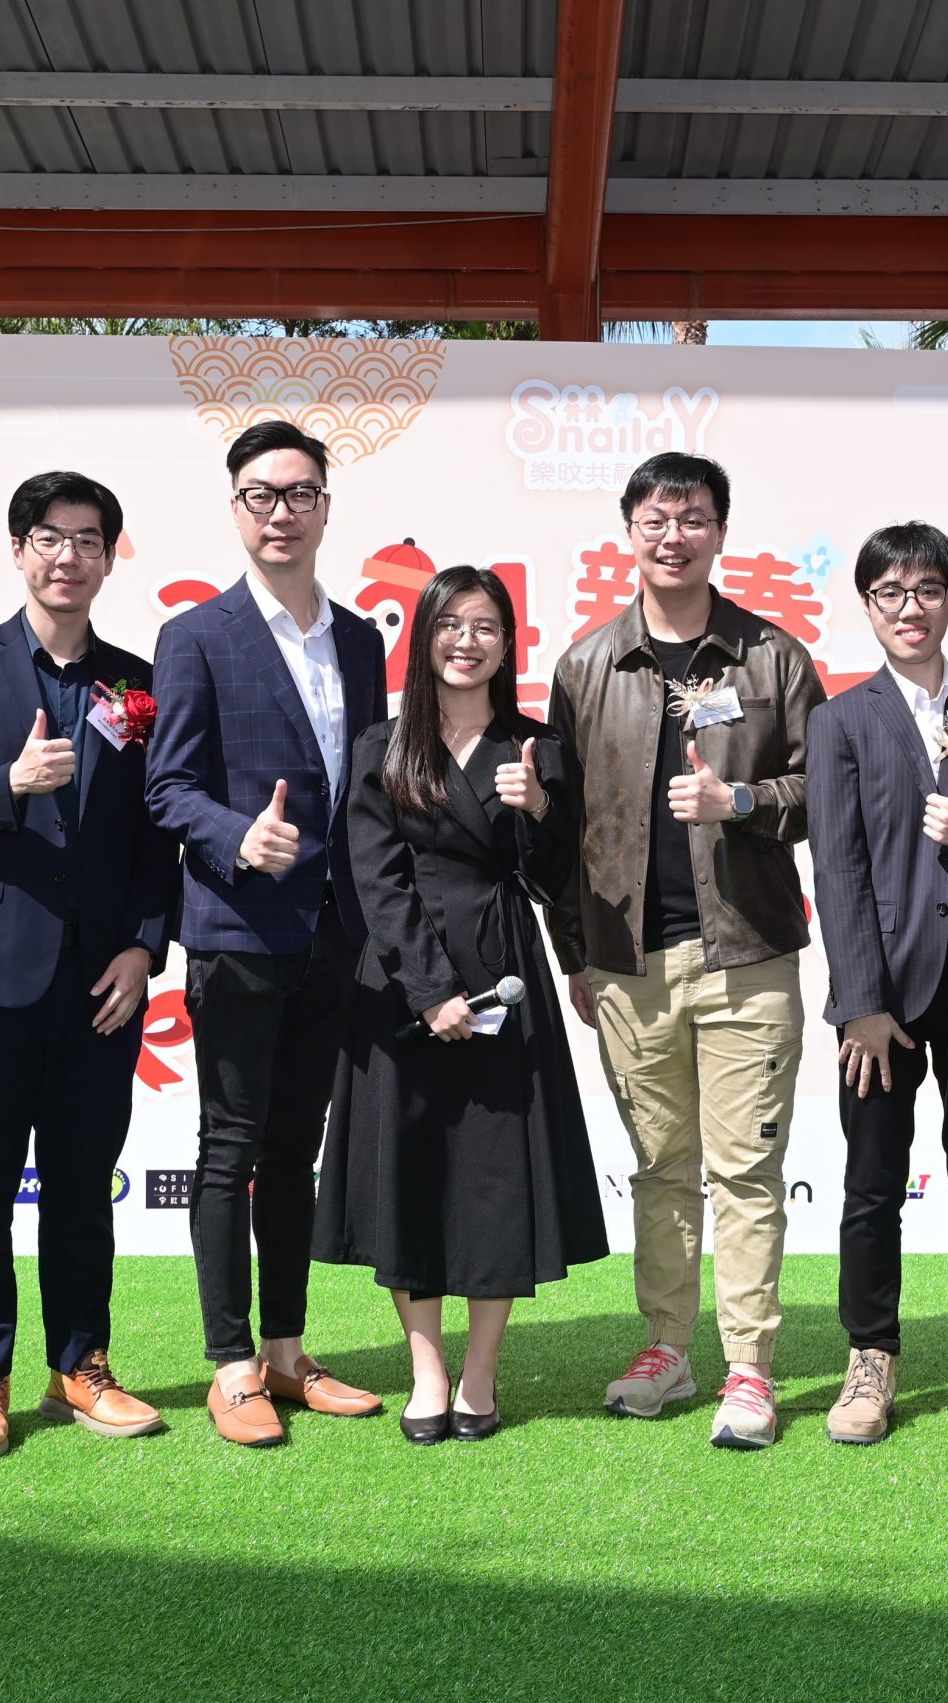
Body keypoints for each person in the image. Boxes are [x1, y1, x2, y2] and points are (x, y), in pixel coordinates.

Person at [545, 450, 827, 1451]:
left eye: (694, 517)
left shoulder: (772, 657)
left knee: (745, 1170)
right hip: (628, 963)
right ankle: (667, 1346)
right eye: (657, 519)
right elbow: (560, 828)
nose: (675, 536)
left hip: (746, 952)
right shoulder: (586, 665)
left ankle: (749, 1365)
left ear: (720, 531)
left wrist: (738, 799)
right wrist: (575, 953)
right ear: (629, 532)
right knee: (661, 1166)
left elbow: (824, 791)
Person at [0, 469, 180, 1459]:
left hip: (97, 986)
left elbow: (155, 832)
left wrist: (144, 946)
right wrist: (9, 783)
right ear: (20, 550)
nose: (70, 556)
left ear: (109, 557)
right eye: (51, 538)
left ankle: (82, 1366)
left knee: (80, 1188)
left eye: (89, 540)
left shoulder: (133, 682)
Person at [314, 566, 608, 1444]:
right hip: (403, 981)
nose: (466, 641)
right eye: (450, 624)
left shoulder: (537, 746)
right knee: (410, 1171)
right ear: (426, 638)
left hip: (505, 967)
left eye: (485, 626)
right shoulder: (383, 746)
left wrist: (541, 809)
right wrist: (432, 988)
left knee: (494, 1177)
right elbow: (377, 878)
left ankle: (480, 1373)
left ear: (507, 643)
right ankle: (427, 1372)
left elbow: (559, 877)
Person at [146, 419, 387, 1447]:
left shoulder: (361, 640)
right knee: (230, 1147)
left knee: (297, 1150)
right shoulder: (197, 636)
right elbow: (166, 787)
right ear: (236, 507)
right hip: (238, 929)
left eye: (297, 493)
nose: (279, 512)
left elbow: (369, 784)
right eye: (260, 494)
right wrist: (238, 835)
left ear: (326, 507)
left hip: (336, 934)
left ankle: (287, 1350)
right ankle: (230, 1363)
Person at [805, 521, 948, 1448]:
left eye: (928, 589)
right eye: (891, 593)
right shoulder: (842, 721)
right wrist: (861, 1003)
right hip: (883, 994)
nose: (911, 608)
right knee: (871, 1184)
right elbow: (838, 869)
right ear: (868, 606)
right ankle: (871, 1357)